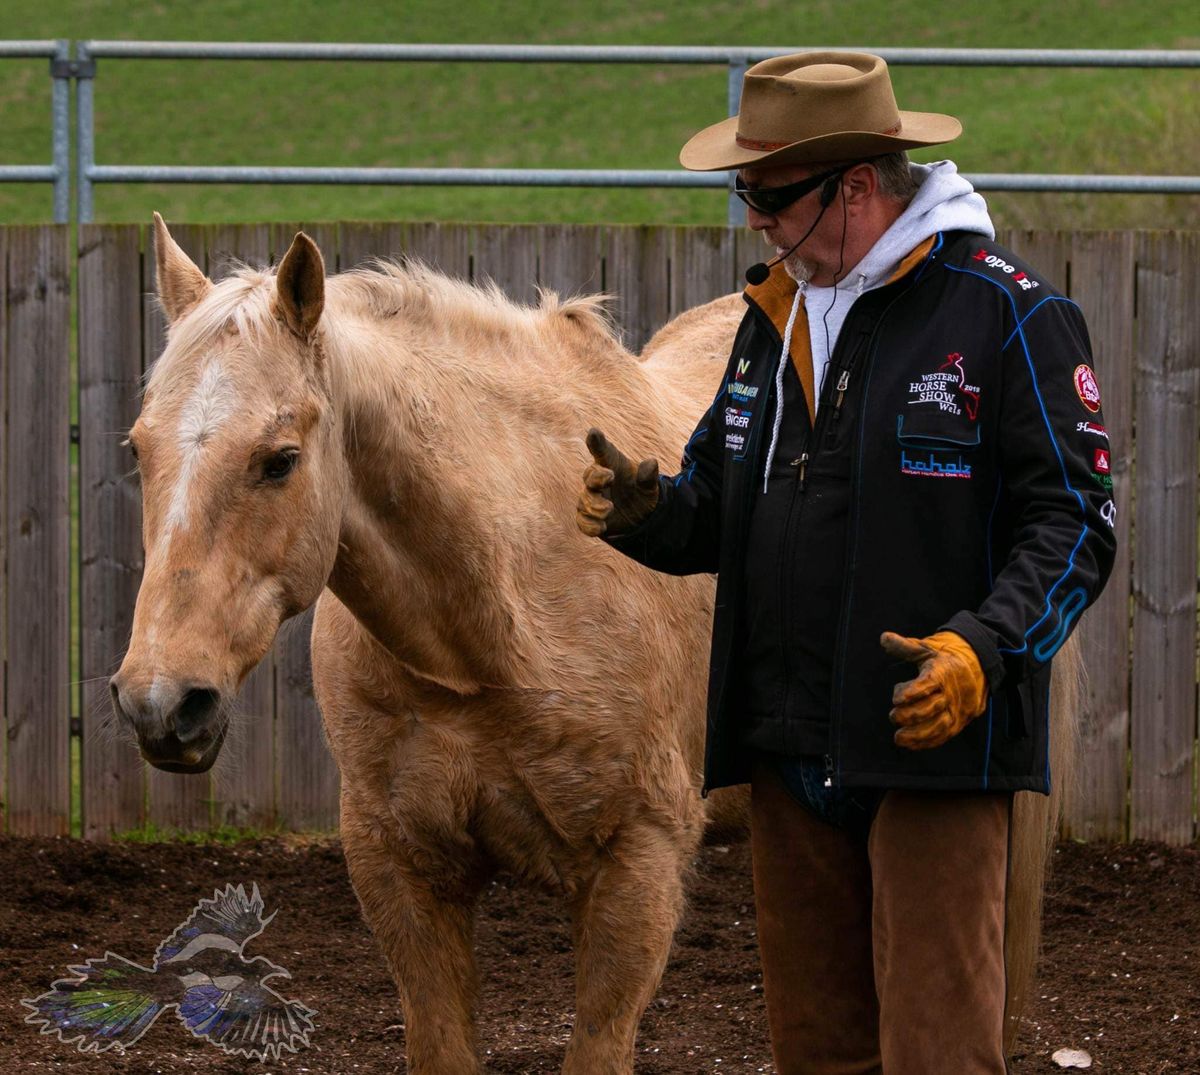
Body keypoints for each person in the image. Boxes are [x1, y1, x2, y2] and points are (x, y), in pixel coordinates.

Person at [575, 52, 1116, 1074]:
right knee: (816, 1053)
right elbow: (718, 510)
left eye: (769, 196)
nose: (755, 222)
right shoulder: (766, 325)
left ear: (855, 186)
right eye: (747, 194)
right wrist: (649, 512)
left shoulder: (1009, 316)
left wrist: (982, 650)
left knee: (938, 1051)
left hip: (932, 745)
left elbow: (1078, 522)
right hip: (787, 747)